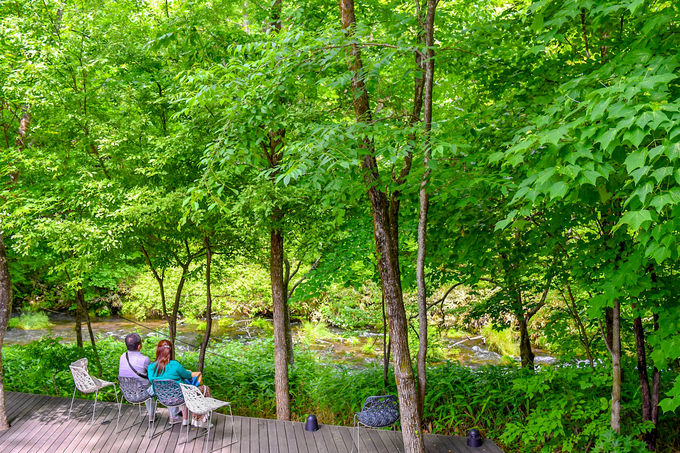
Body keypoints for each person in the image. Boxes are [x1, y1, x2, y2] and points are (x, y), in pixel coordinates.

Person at [148, 339, 212, 428]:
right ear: (170, 352)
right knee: (204, 389)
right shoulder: (175, 365)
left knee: (182, 388)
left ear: (158, 351)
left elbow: (152, 381)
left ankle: (186, 419)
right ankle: (200, 420)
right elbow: (187, 375)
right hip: (180, 396)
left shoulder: (151, 366)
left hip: (162, 397)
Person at [118, 333, 156, 420]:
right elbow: (152, 375)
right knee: (154, 384)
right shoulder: (145, 359)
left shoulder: (123, 356)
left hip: (127, 392)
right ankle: (153, 415)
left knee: (143, 384)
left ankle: (152, 415)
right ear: (139, 346)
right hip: (142, 393)